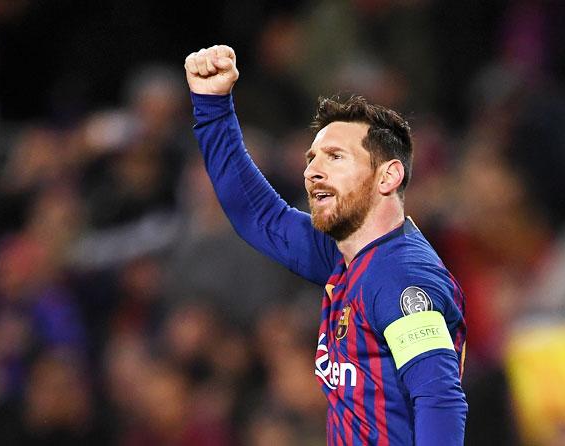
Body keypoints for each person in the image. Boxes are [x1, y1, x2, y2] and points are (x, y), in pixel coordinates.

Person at [184, 45, 467, 445]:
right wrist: (212, 107)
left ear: (388, 177)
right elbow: (257, 215)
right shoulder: (345, 256)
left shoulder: (400, 277)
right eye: (311, 158)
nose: (313, 171)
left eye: (335, 157)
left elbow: (439, 398)